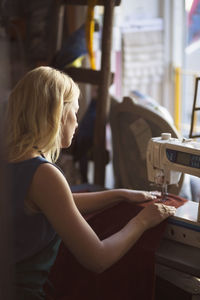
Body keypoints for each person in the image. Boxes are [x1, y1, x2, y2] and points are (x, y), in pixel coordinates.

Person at [5, 66, 176, 300]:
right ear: (58, 114)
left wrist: (118, 194)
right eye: (74, 112)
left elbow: (57, 204)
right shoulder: (44, 174)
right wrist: (143, 221)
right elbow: (98, 258)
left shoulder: (11, 161)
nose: (76, 122)